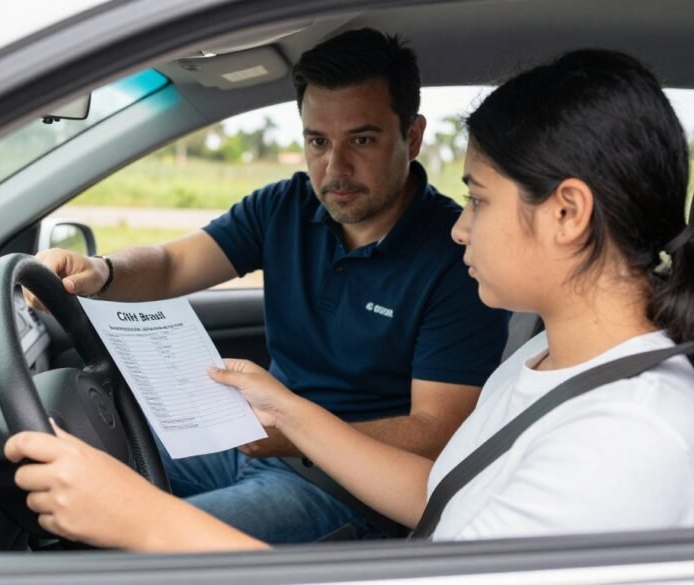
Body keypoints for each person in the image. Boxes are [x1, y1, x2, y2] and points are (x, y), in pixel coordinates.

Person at [8, 48, 694, 551]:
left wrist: (145, 523)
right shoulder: (550, 357)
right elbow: (442, 490)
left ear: (566, 213)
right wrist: (286, 407)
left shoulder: (633, 439)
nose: (461, 229)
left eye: (480, 200)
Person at [25, 28, 510, 543]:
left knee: (132, 547)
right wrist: (102, 272)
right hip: (245, 439)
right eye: (317, 141)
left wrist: (294, 433)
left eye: (361, 140)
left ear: (411, 137)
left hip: (347, 486)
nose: (335, 168)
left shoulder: (457, 256)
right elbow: (170, 265)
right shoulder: (286, 206)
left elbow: (437, 433)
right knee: (65, 469)